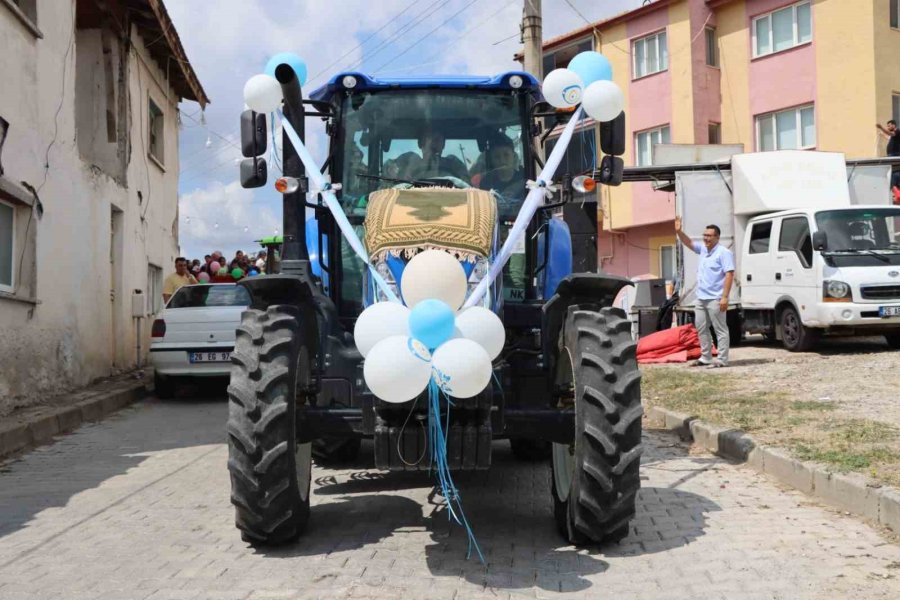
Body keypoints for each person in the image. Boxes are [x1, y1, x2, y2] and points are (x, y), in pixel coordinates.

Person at [675, 217, 735, 367]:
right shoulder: (703, 249)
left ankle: (722, 360)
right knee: (701, 328)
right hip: (701, 298)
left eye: (709, 236)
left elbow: (729, 274)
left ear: (717, 237)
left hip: (716, 298)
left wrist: (725, 297)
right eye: (704, 235)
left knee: (720, 329)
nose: (706, 238)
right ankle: (706, 357)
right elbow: (689, 243)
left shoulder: (723, 253)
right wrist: (679, 232)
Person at [478, 136, 524, 220]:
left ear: (514, 156)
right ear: (491, 160)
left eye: (506, 155)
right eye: (497, 157)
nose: (502, 161)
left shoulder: (525, 178)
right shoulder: (486, 183)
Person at [877, 119, 900, 191]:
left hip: (895, 154)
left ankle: (895, 186)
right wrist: (883, 135)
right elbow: (889, 137)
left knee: (894, 171)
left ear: (894, 125)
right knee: (891, 171)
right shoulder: (894, 135)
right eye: (887, 126)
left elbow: (890, 134)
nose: (888, 127)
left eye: (889, 126)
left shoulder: (898, 131)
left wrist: (881, 128)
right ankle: (894, 187)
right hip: (892, 155)